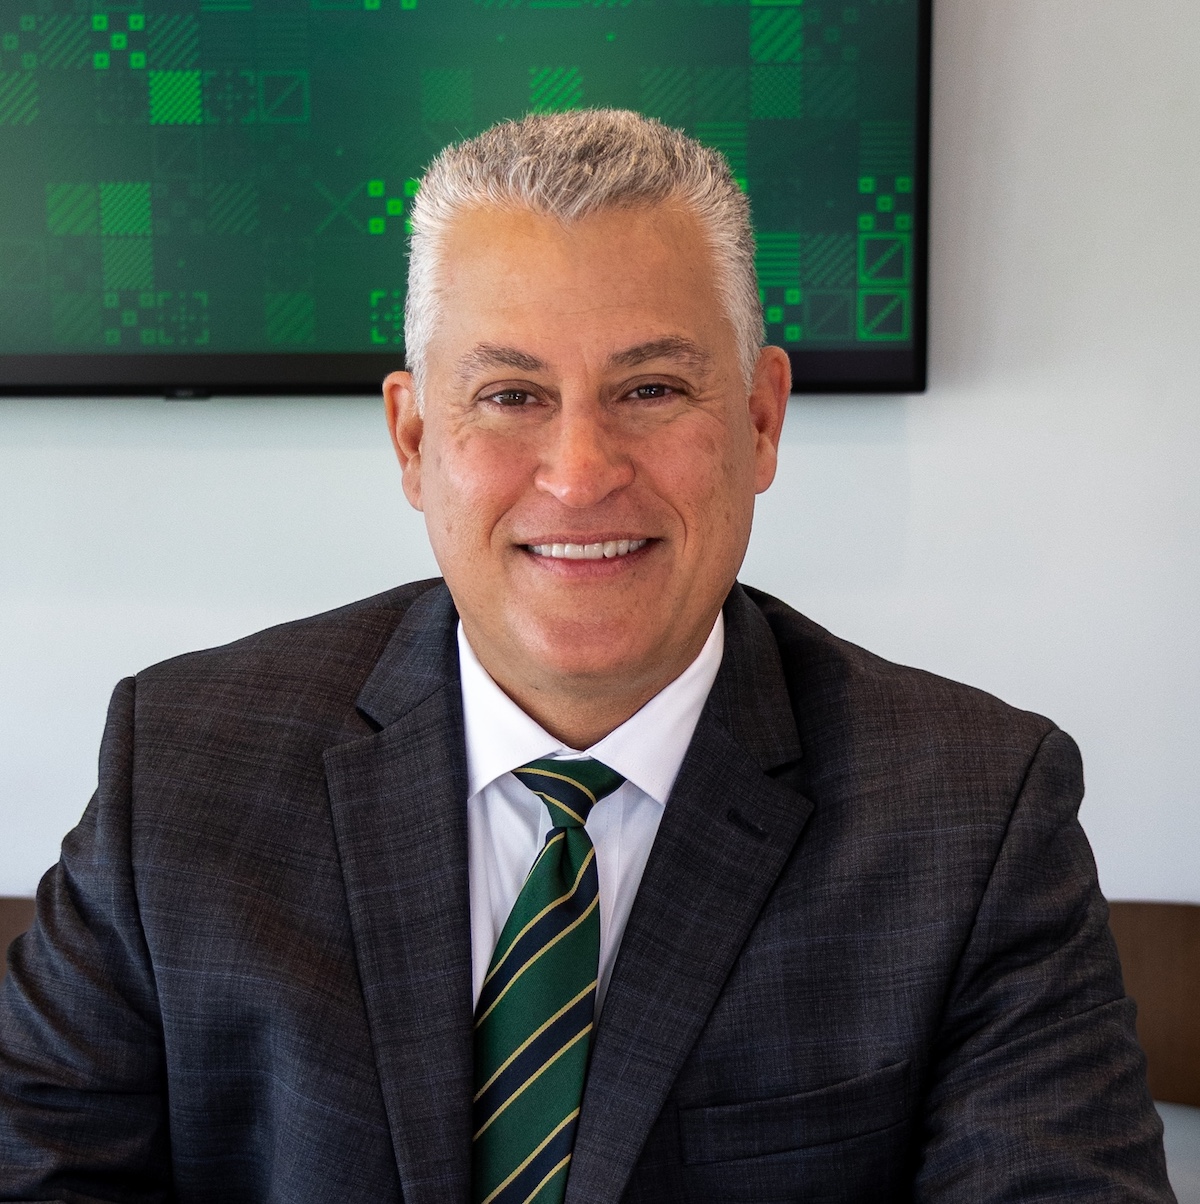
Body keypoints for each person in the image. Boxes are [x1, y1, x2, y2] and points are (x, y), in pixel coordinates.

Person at [0, 110, 1173, 1204]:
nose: (578, 472)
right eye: (510, 394)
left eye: (652, 388)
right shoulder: (182, 769)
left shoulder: (975, 818)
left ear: (762, 420)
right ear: (414, 439)